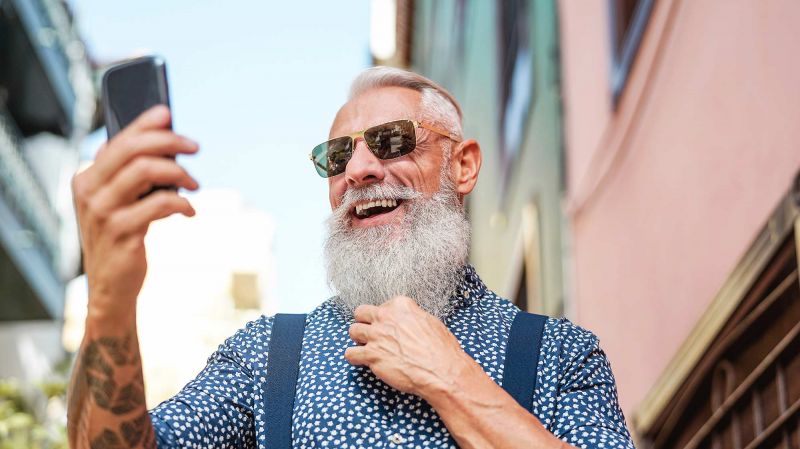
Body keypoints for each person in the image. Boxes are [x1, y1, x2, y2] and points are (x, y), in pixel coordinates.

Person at [67, 66, 635, 449]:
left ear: (462, 166)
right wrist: (110, 298)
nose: (360, 170)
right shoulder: (268, 357)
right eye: (338, 156)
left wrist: (451, 380)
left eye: (392, 141)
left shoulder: (563, 356)